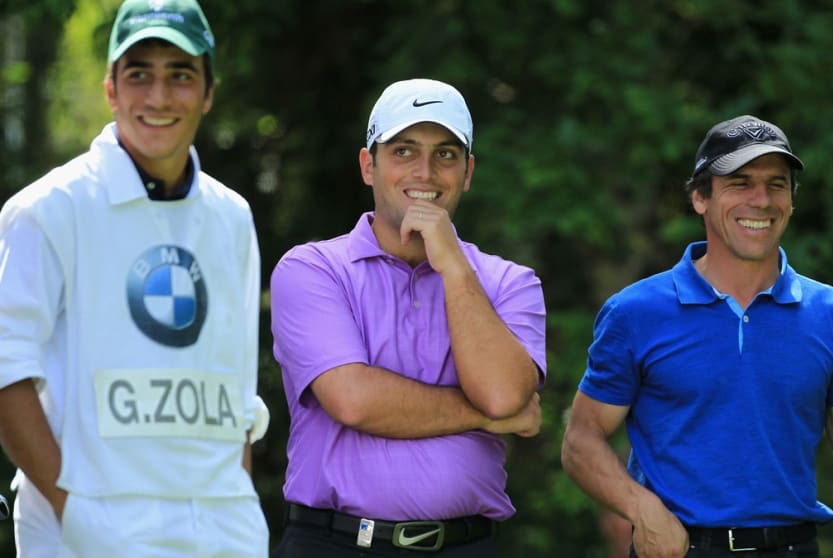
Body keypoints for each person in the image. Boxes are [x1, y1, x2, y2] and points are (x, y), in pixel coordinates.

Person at [560, 115, 833, 558]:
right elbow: (581, 440)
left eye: (777, 185)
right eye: (740, 183)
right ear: (700, 198)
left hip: (793, 548)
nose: (761, 200)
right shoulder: (636, 312)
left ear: (792, 201)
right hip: (680, 548)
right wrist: (641, 509)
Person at [0, 1, 270, 556]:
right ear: (110, 90)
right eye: (139, 74)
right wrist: (73, 509)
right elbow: (6, 371)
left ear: (209, 93)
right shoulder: (48, 210)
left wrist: (239, 505)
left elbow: (236, 389)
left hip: (224, 533)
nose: (159, 97)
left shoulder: (231, 217)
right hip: (89, 533)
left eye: (181, 75)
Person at [270, 78, 546, 557]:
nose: (426, 171)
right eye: (403, 151)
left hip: (466, 546)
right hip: (335, 543)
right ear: (368, 166)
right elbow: (353, 400)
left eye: (445, 154)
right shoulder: (312, 269)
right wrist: (483, 414)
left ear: (468, 172)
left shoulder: (509, 283)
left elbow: (504, 394)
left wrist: (454, 266)